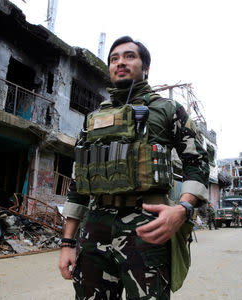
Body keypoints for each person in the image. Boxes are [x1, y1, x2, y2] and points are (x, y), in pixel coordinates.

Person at [58, 36, 209, 299]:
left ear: (146, 67)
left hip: (146, 226)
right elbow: (78, 181)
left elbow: (197, 163)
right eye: (114, 59)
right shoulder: (93, 119)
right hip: (95, 229)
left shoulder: (168, 109)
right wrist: (68, 243)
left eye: (129, 56)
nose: (120, 63)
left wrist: (182, 209)